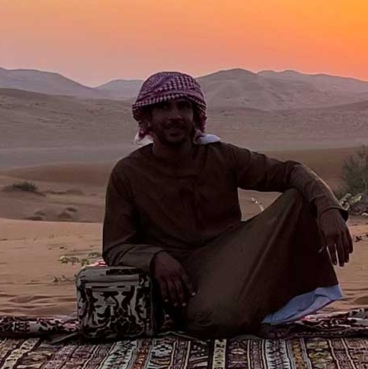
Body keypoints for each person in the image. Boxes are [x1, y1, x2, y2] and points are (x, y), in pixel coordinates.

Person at [101, 71, 354, 334]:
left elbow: (290, 171)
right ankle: (241, 308)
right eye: (164, 106)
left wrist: (328, 208)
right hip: (183, 278)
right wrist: (155, 258)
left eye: (184, 106)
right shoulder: (128, 173)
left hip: (234, 257)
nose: (175, 115)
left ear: (194, 115)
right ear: (148, 118)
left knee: (299, 197)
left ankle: (265, 303)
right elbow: (116, 247)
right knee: (215, 319)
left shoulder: (221, 156)